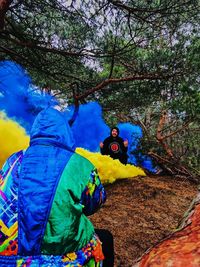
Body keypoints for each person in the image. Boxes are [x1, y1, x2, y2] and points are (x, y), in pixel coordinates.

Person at [0, 106, 114, 267]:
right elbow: (94, 204)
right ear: (66, 133)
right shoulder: (80, 164)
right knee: (105, 239)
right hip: (60, 260)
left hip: (8, 260)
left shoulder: (12, 160)